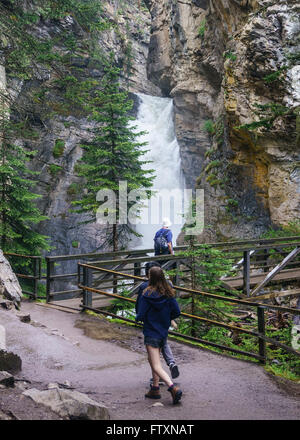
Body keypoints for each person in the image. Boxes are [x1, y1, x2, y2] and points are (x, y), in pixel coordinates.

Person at [135, 266, 182, 404]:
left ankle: (173, 388)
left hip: (151, 331)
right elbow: (177, 312)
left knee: (155, 364)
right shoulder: (168, 293)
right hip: (163, 331)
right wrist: (167, 319)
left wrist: (139, 318)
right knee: (153, 360)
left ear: (150, 277)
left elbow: (141, 314)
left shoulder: (146, 294)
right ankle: (155, 389)